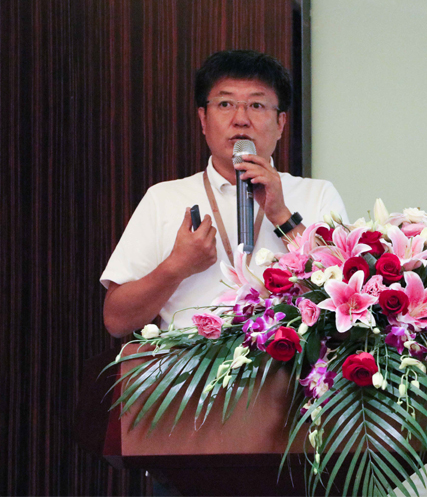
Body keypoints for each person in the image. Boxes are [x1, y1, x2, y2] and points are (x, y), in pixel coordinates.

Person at [101, 50, 347, 338]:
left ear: (281, 123)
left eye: (256, 105)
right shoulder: (163, 198)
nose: (240, 119)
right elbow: (116, 321)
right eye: (225, 104)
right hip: (190, 364)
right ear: (203, 119)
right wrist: (177, 266)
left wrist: (282, 216)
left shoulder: (318, 194)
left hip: (287, 362)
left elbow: (347, 306)